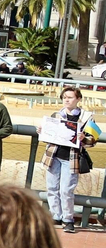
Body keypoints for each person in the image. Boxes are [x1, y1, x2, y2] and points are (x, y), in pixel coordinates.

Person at [41, 84, 97, 232]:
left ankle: (68, 218)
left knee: (66, 190)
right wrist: (42, 131)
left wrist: (84, 138)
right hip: (53, 156)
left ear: (78, 99)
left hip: (72, 158)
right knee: (52, 187)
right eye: (65, 97)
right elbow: (48, 137)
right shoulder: (56, 115)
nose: (67, 100)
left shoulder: (86, 117)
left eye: (70, 97)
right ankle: (55, 216)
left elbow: (93, 140)